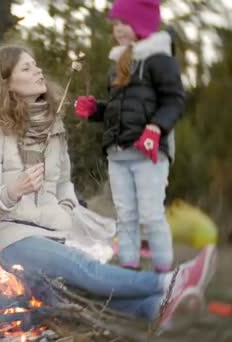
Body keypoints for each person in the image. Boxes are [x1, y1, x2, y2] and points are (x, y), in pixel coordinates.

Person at [0, 44, 213, 333]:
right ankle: (171, 281)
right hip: (7, 236)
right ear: (5, 83)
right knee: (84, 267)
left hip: (51, 230)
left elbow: (63, 184)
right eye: (27, 67)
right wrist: (14, 190)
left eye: (36, 64)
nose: (38, 70)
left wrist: (65, 210)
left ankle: (156, 308)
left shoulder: (54, 127)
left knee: (81, 290)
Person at [74, 0, 184, 272]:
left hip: (149, 152)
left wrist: (156, 127)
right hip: (118, 153)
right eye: (116, 24)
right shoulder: (120, 62)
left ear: (143, 22)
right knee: (125, 216)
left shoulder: (160, 59)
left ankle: (164, 274)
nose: (118, 29)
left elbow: (174, 101)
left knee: (150, 215)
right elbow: (120, 108)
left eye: (124, 22)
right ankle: (129, 270)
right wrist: (96, 110)